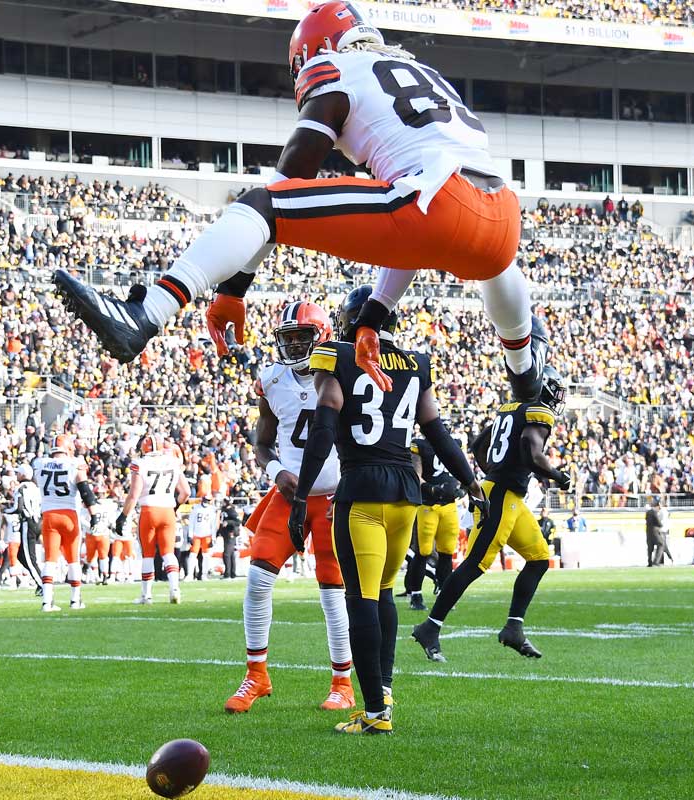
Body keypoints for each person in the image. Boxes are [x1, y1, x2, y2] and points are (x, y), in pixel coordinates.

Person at [53, 0, 545, 406]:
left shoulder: (336, 67)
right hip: (502, 219)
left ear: (319, 49)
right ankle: (524, 375)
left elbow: (291, 178)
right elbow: (414, 232)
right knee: (473, 251)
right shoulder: (421, 69)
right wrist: (374, 316)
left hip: (435, 204)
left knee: (261, 203)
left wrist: (234, 289)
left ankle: (146, 315)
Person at [290, 285, 485, 734]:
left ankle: (376, 711)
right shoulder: (415, 363)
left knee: (359, 598)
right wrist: (472, 482)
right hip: (405, 496)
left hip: (361, 489)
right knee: (382, 593)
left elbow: (324, 427)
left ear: (352, 322)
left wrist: (301, 497)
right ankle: (386, 690)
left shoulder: (335, 355)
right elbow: (438, 431)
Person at [225, 300, 353, 714]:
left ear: (323, 336)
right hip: (289, 493)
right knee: (258, 578)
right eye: (290, 338)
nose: (296, 345)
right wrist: (277, 470)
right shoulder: (271, 379)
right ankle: (256, 675)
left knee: (333, 591)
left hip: (334, 495)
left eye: (303, 337)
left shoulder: (342, 373)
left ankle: (342, 682)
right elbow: (262, 443)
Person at [411, 366, 570, 663]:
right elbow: (531, 451)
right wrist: (558, 476)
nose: (558, 399)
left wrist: (489, 473)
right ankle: (429, 628)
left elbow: (477, 445)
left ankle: (514, 628)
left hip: (507, 494)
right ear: (544, 387)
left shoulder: (508, 410)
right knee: (474, 564)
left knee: (538, 558)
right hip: (500, 494)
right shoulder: (538, 412)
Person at [118, 429, 189, 604]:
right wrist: (175, 507)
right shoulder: (173, 461)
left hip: (149, 510)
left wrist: (123, 516)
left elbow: (133, 495)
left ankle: (146, 595)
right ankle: (174, 589)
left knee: (148, 554)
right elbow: (185, 492)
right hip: (168, 510)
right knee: (168, 553)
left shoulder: (140, 463)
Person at [33, 434, 99, 611]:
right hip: (69, 515)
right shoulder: (75, 463)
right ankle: (75, 600)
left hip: (49, 515)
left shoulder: (39, 463)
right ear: (68, 448)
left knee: (50, 560)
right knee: (73, 560)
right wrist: (94, 515)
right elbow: (86, 492)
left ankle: (47, 602)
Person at [403, 433, 464, 612]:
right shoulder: (420, 446)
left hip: (449, 506)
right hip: (428, 504)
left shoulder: (455, 444)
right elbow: (416, 474)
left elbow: (461, 469)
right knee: (423, 551)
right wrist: (432, 489)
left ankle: (444, 594)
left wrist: (464, 487)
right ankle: (416, 595)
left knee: (446, 552)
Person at [188, 495, 218, 581]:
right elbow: (191, 522)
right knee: (193, 555)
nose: (206, 502)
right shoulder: (195, 508)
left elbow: (213, 525)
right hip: (196, 534)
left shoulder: (212, 510)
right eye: (205, 500)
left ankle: (204, 575)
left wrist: (213, 538)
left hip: (207, 535)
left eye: (208, 500)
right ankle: (190, 575)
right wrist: (190, 535)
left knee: (206, 556)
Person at [218, 500, 240, 580]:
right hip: (226, 533)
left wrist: (228, 522)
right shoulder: (224, 510)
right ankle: (231, 573)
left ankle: (228, 574)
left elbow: (238, 522)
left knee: (227, 554)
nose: (222, 503)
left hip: (230, 533)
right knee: (230, 554)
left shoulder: (231, 511)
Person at [645, 498, 670, 567]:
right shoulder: (654, 512)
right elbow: (658, 522)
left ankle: (649, 562)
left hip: (648, 532)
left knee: (650, 548)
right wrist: (661, 525)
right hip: (655, 532)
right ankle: (656, 561)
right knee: (661, 544)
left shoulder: (648, 512)